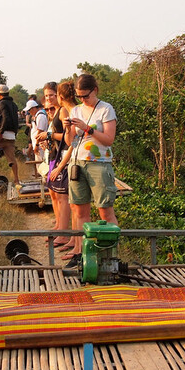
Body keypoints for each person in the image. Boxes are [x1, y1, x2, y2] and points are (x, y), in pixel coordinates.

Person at [62, 74, 118, 266]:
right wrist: (68, 129)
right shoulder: (76, 110)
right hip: (77, 163)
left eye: (85, 96)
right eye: (79, 96)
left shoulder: (106, 109)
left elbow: (109, 140)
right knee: (79, 211)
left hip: (99, 164)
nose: (82, 100)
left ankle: (109, 255)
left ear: (95, 90)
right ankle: (79, 253)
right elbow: (70, 142)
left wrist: (88, 129)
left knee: (104, 209)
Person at [43, 82, 72, 249]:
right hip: (54, 154)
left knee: (63, 196)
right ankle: (59, 227)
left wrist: (51, 135)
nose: (49, 98)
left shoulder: (63, 111)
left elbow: (69, 138)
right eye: (46, 96)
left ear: (59, 95)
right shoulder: (54, 112)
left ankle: (63, 232)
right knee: (55, 194)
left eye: (52, 95)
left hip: (63, 155)